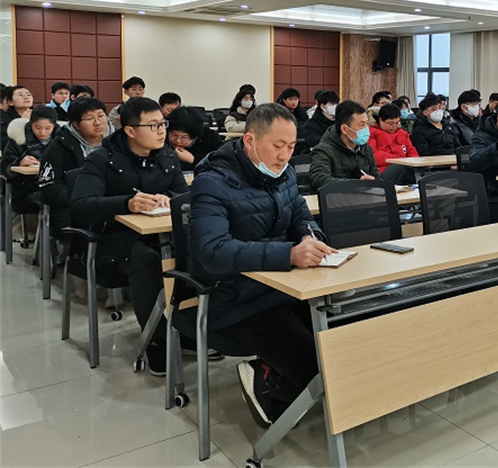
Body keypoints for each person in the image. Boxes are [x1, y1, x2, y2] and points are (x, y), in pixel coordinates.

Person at [189, 103, 335, 429]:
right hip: (237, 297)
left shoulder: (284, 175)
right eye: (278, 146)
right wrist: (288, 254)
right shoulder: (212, 183)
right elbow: (212, 251)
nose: (285, 156)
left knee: (342, 342)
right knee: (315, 363)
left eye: (292, 147)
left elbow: (302, 217)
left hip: (287, 287)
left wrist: (310, 237)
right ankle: (267, 385)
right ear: (250, 141)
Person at [70, 97, 188, 375]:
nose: (161, 131)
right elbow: (81, 205)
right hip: (113, 240)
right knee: (147, 260)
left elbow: (183, 195)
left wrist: (169, 197)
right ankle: (156, 340)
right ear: (130, 131)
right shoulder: (102, 159)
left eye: (163, 124)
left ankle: (186, 329)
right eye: (153, 125)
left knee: (192, 253)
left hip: (159, 234)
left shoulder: (167, 155)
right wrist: (127, 203)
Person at [38, 97, 112, 234]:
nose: (97, 122)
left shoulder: (119, 142)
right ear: (76, 124)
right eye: (89, 119)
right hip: (73, 205)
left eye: (101, 116)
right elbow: (50, 186)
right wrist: (81, 199)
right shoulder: (60, 145)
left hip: (113, 203)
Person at [2, 107, 60, 233]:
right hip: (26, 189)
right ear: (30, 124)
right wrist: (18, 162)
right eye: (37, 128)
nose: (42, 132)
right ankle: (48, 241)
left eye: (48, 128)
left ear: (54, 126)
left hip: (55, 185)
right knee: (53, 200)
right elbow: (4, 169)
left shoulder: (62, 140)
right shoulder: (18, 140)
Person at [309, 100, 379, 192]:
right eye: (361, 125)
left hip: (365, 197)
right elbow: (319, 180)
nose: (366, 128)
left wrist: (374, 181)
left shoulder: (365, 148)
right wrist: (356, 184)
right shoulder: (323, 150)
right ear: (344, 129)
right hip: (335, 198)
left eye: (367, 123)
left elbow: (376, 177)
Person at [367, 103, 418, 183]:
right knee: (403, 169)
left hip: (405, 167)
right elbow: (373, 156)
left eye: (397, 123)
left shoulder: (402, 133)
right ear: (381, 120)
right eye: (390, 124)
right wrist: (399, 159)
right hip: (382, 171)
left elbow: (411, 151)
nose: (394, 126)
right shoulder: (371, 133)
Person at [167, 106, 223, 171]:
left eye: (185, 137)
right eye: (174, 135)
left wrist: (193, 159)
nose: (178, 141)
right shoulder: (162, 139)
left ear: (195, 136)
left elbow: (222, 163)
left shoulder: (209, 137)